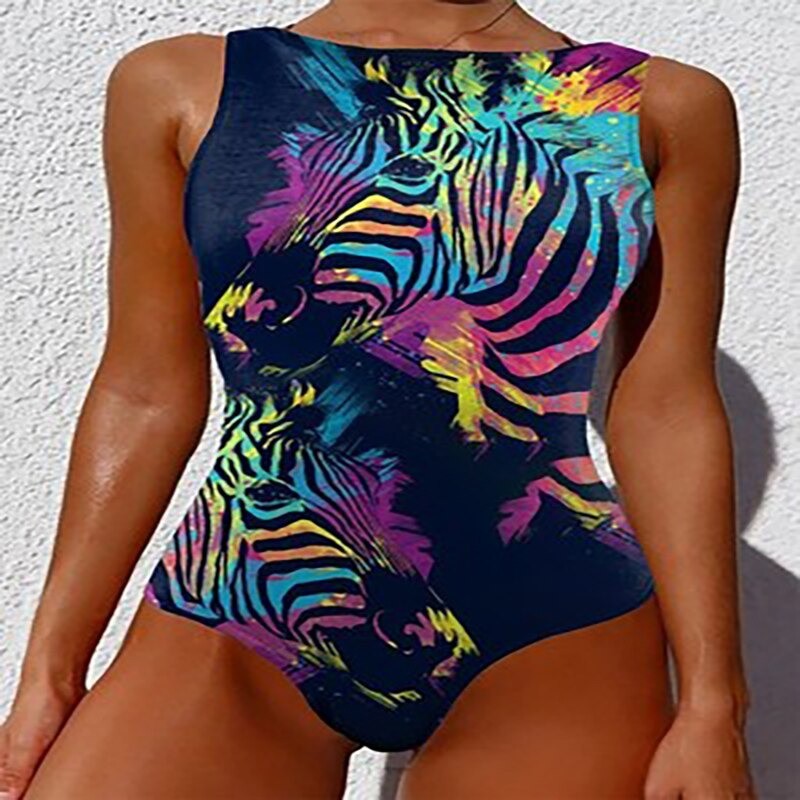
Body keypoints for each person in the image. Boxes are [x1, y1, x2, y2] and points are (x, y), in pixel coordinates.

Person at [0, 1, 755, 798]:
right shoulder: (185, 83)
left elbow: (665, 406)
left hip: (555, 625)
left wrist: (716, 705)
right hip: (252, 589)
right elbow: (146, 389)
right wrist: (51, 670)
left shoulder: (659, 105)